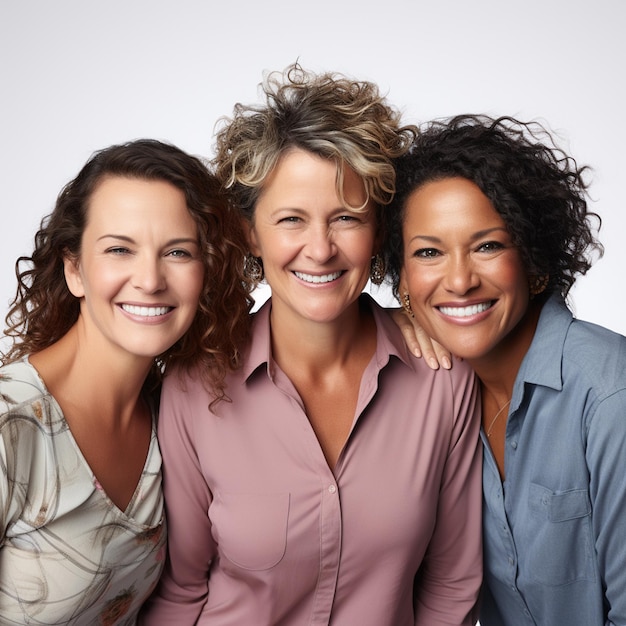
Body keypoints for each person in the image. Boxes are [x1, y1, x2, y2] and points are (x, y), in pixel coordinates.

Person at [139, 65, 482, 625]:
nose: (319, 250)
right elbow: (181, 591)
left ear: (378, 230)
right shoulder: (193, 387)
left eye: (346, 217)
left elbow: (452, 582)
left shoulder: (442, 382)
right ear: (251, 231)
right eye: (291, 219)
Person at [384, 114, 626, 625]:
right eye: (428, 252)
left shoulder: (609, 394)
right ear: (401, 279)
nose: (459, 280)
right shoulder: (433, 397)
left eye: (488, 245)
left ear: (534, 260)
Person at [0, 139, 251, 625]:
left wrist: (404, 322)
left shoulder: (173, 412)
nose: (150, 279)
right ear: (74, 268)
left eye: (177, 252)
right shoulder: (11, 427)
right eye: (120, 249)